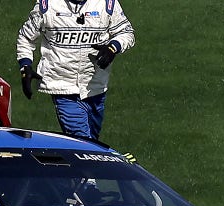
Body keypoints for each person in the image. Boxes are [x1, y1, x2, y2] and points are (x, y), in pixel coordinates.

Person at [16, 0, 136, 139]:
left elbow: (127, 33)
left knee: (93, 143)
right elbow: (26, 37)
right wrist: (25, 66)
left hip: (96, 86)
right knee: (84, 142)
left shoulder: (107, 4)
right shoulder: (47, 5)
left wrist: (112, 47)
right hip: (63, 88)